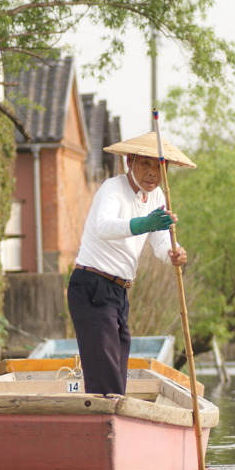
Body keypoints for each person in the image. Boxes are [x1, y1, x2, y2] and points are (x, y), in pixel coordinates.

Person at [67, 131, 195, 395]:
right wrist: (143, 223)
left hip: (119, 291)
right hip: (91, 285)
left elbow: (160, 242)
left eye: (159, 167)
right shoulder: (113, 188)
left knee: (119, 361)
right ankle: (107, 420)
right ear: (130, 162)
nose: (152, 173)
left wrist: (175, 252)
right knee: (106, 369)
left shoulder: (158, 197)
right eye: (144, 164)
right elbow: (104, 226)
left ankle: (111, 417)